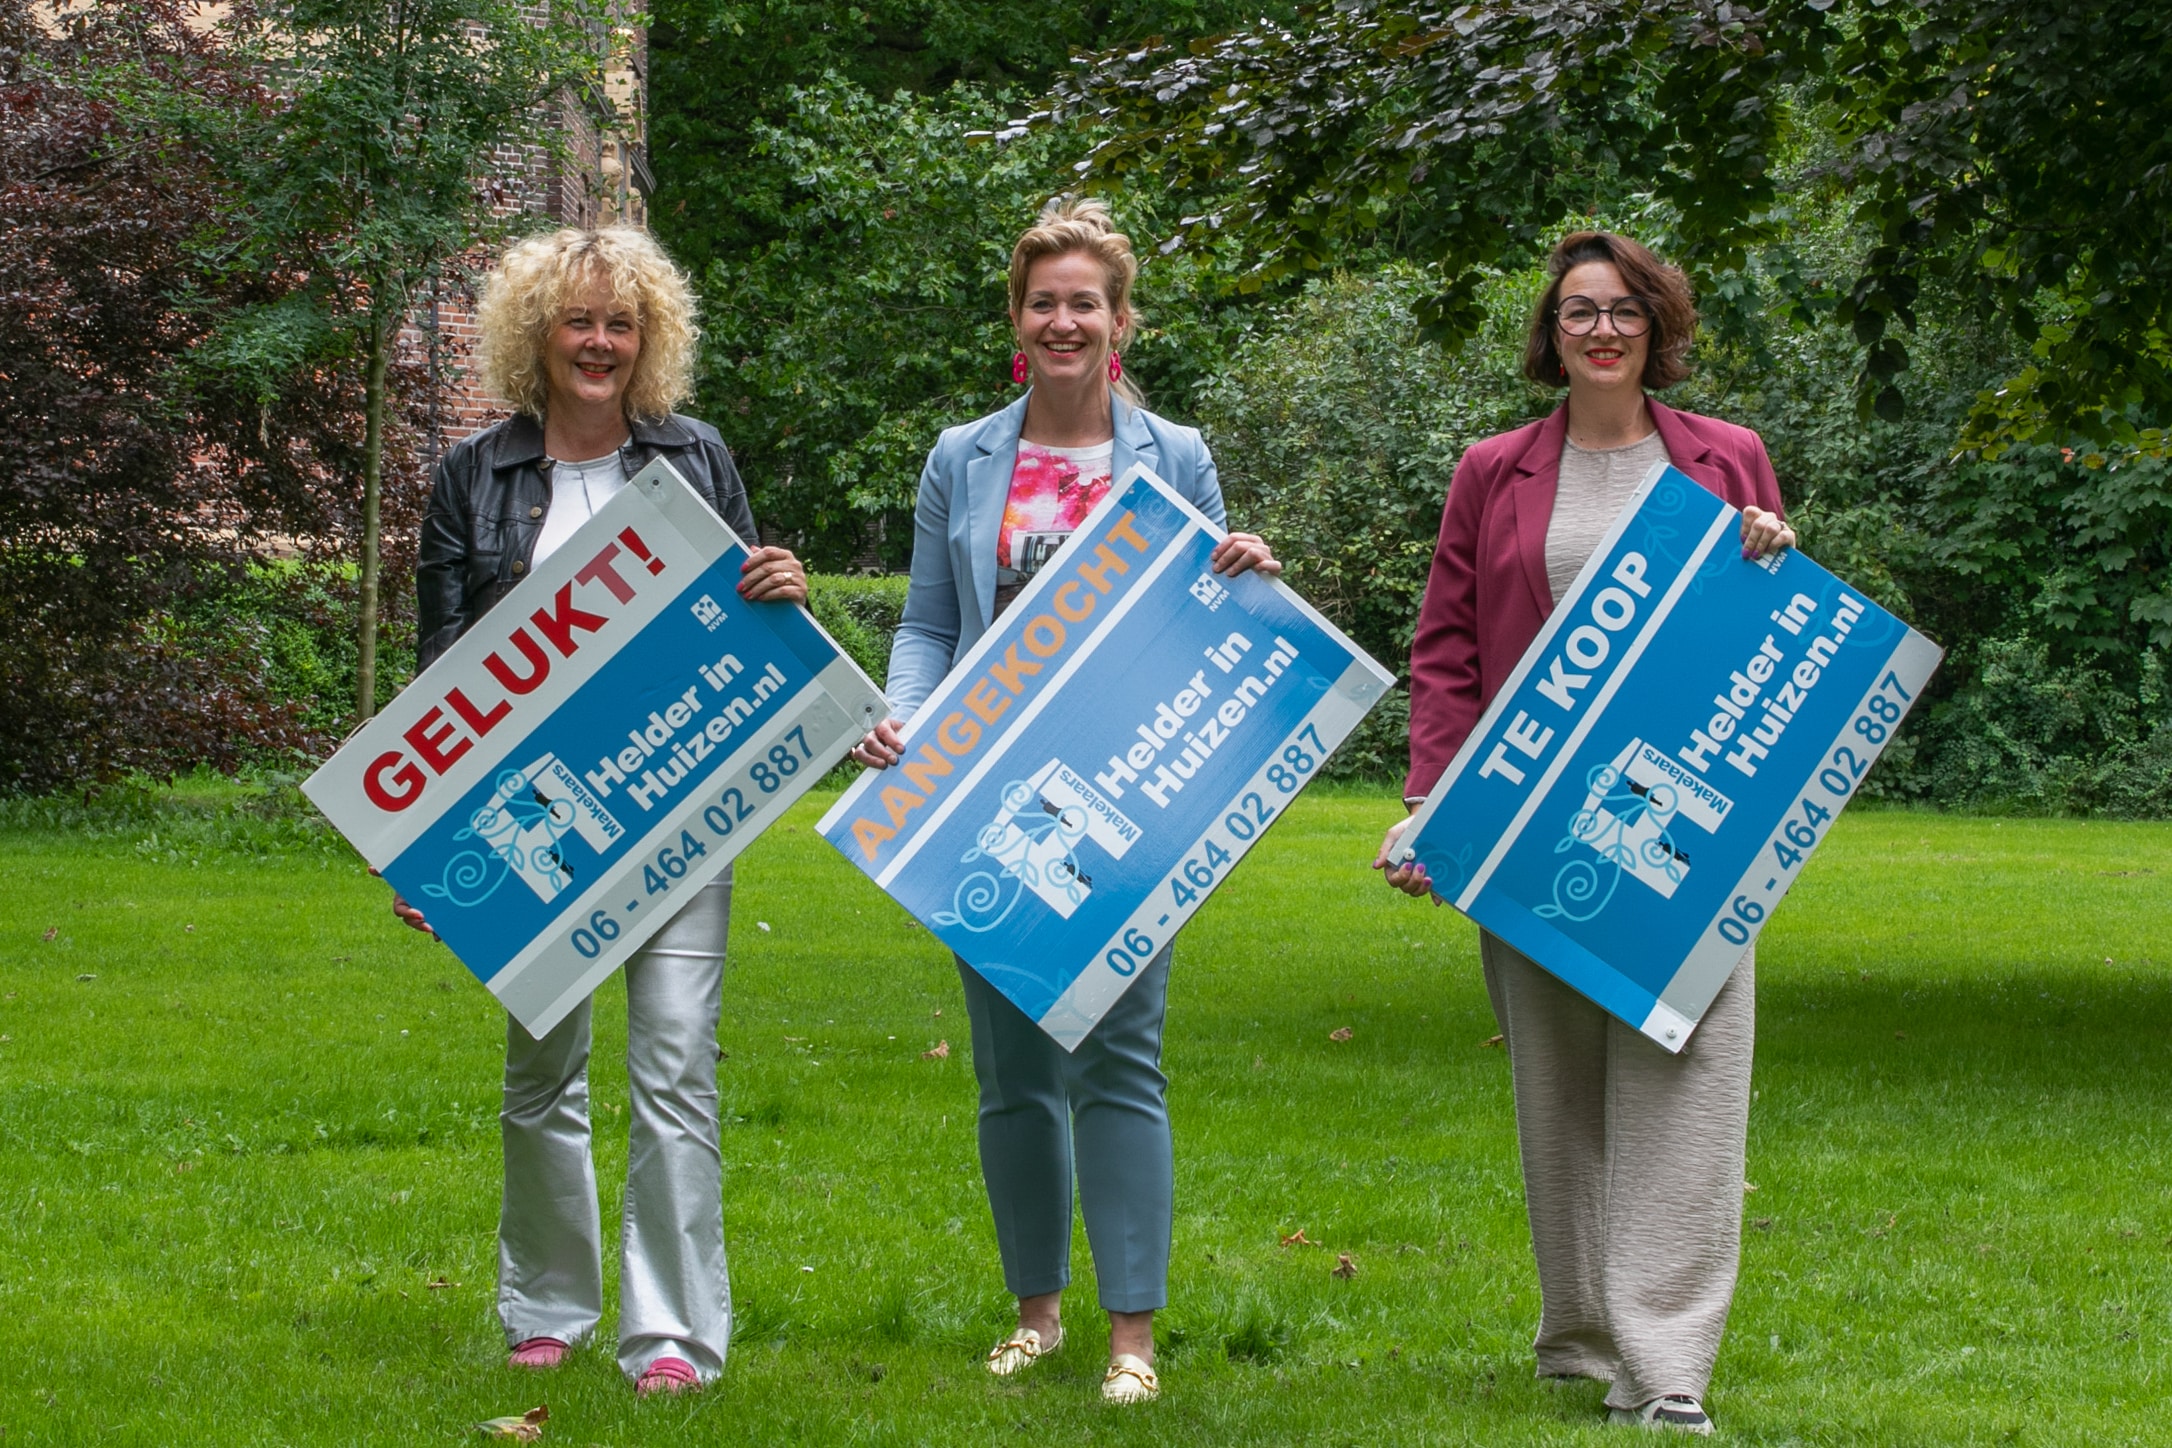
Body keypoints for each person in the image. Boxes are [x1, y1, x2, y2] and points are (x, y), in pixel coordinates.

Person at [849, 198, 1279, 1406]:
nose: (1063, 320)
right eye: (1044, 301)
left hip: (1127, 797)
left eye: (1085, 300)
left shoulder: (1175, 454)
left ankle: (1132, 1334)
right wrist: (906, 719)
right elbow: (931, 622)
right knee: (1013, 1070)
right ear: (1016, 319)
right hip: (985, 795)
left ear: (1119, 318)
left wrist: (1244, 571)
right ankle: (1037, 1313)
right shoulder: (961, 456)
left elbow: (1203, 618)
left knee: (1121, 1059)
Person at [1376, 232, 1795, 1435]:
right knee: (1556, 1086)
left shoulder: (1729, 458)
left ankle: (1667, 1370)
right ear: (1550, 332)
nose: (1601, 330)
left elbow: (1766, 636)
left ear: (1658, 326)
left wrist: (1774, 552)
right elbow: (1448, 649)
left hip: (1692, 823)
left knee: (1691, 1072)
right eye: (1577, 312)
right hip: (1530, 824)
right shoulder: (1491, 468)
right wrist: (1432, 800)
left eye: (1622, 310)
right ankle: (1580, 1337)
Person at [390, 226, 807, 1397]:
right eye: (578, 320)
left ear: (649, 339)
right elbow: (439, 672)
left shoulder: (698, 456)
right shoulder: (472, 474)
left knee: (675, 1064)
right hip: (533, 818)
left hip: (677, 809)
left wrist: (783, 585)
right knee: (543, 1070)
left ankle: (670, 1331)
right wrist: (425, 849)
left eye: (621, 323)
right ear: (537, 332)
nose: (600, 342)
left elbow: (745, 627)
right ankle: (549, 1306)